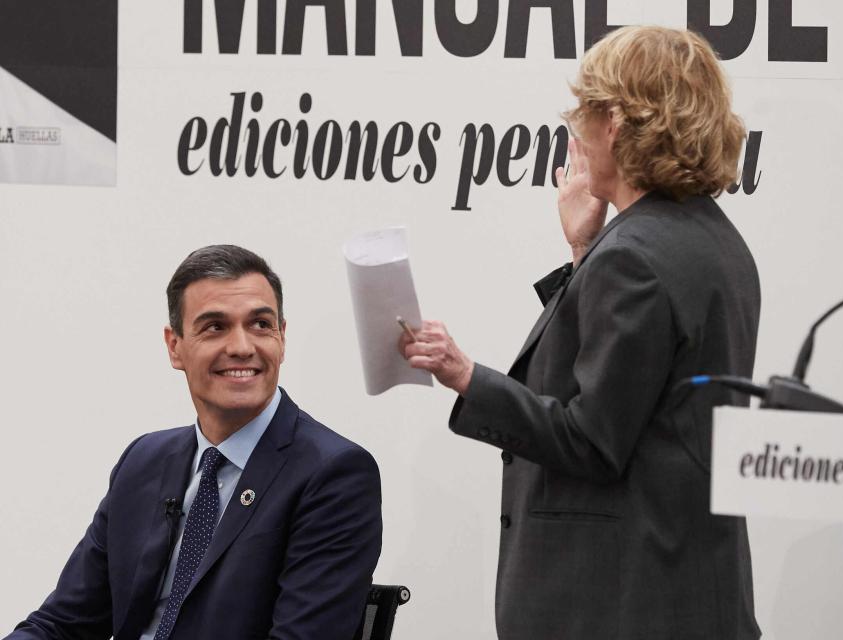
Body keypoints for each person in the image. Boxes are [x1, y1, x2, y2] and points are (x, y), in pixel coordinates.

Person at [401, 26, 761, 640]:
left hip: (619, 605)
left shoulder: (635, 255)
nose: (574, 134)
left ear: (616, 123)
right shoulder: (715, 240)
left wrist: (466, 377)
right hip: (683, 589)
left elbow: (594, 441)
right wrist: (583, 250)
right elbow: (649, 399)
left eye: (582, 115)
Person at [6, 245, 382, 640]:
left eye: (260, 324)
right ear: (175, 346)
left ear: (282, 338)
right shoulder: (143, 461)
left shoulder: (334, 474)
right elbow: (64, 623)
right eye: (215, 327)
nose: (241, 346)